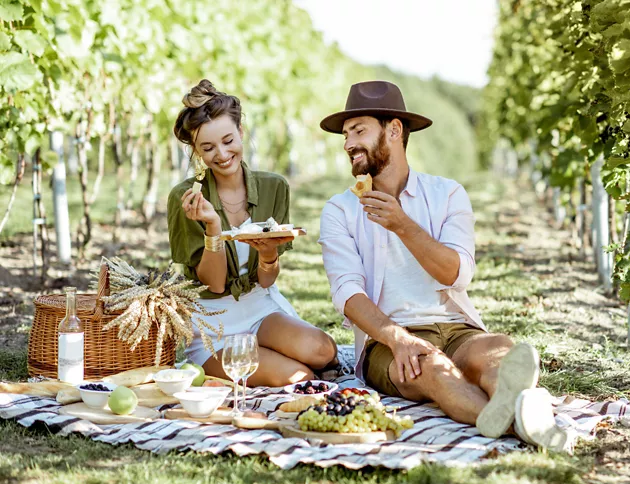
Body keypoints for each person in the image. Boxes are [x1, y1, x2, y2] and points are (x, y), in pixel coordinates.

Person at [317, 81, 568, 450]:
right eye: (345, 135)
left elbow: (457, 273)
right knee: (434, 371)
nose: (348, 143)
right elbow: (348, 295)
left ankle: (513, 409)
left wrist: (401, 223)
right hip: (390, 338)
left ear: (395, 130)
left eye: (359, 130)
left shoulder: (447, 194)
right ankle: (529, 425)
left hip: (457, 327)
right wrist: (399, 339)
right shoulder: (339, 210)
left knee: (499, 351)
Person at [167, 79, 337, 386]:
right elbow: (215, 285)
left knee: (323, 350)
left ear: (241, 132)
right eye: (207, 148)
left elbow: (267, 279)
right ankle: (268, 360)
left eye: (228, 140)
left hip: (258, 306)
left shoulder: (274, 187)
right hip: (212, 322)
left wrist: (268, 254)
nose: (221, 154)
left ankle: (270, 351)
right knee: (299, 377)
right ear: (196, 151)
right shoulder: (186, 198)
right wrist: (212, 227)